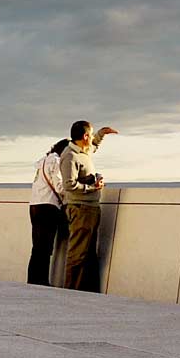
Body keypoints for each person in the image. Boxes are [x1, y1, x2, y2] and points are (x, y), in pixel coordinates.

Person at [59, 120, 118, 290]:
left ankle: (85, 292)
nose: (92, 138)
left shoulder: (84, 151)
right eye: (91, 135)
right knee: (78, 253)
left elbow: (94, 145)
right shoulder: (70, 156)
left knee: (89, 253)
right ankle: (70, 291)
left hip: (90, 207)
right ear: (85, 136)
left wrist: (102, 134)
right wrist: (92, 187)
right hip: (80, 208)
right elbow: (69, 185)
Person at [28, 138, 70, 284]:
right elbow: (59, 186)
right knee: (45, 248)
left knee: (37, 247)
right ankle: (42, 282)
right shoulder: (57, 162)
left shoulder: (43, 161)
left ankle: (33, 280)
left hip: (35, 205)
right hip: (48, 206)